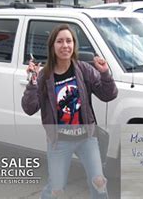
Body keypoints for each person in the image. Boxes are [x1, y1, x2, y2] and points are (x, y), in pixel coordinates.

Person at [21, 24, 118, 199]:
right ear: (53, 46)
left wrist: (104, 74)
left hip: (87, 138)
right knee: (56, 189)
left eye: (69, 41)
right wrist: (32, 83)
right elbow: (29, 108)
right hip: (59, 141)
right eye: (60, 41)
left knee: (99, 182)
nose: (65, 45)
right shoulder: (44, 76)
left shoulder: (84, 69)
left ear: (74, 45)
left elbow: (108, 95)